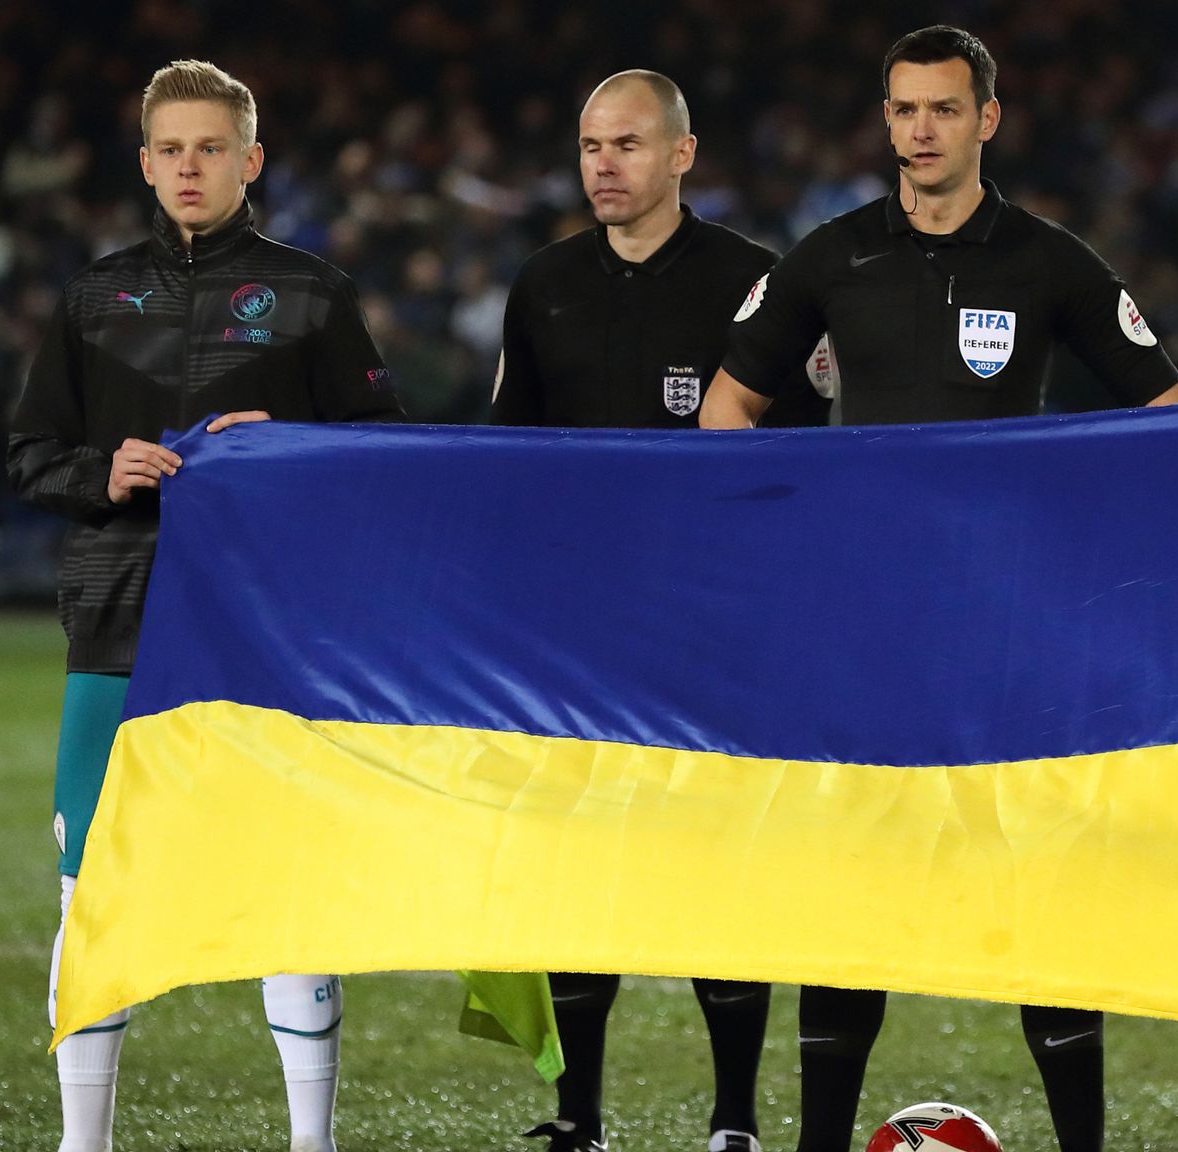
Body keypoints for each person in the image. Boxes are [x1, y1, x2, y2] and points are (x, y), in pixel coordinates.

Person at [701, 25, 1178, 1152]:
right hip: (864, 627)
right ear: (887, 122)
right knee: (853, 896)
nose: (920, 132)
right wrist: (788, 538)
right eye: (903, 112)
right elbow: (724, 410)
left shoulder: (1048, 261)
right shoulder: (828, 257)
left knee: (1038, 895)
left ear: (986, 121)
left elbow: (1171, 421)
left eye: (942, 111)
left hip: (1009, 630)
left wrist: (1077, 528)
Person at [6, 60, 403, 1152]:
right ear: (144, 163)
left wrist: (291, 450)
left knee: (285, 878)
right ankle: (82, 1144)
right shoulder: (92, 296)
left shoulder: (314, 293)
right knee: (91, 884)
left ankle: (309, 1142)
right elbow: (30, 455)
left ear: (251, 161)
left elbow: (385, 452)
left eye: (212, 147)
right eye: (171, 148)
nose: (191, 166)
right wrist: (104, 473)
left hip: (270, 629)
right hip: (118, 617)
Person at [491, 68, 827, 1152]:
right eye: (590, 144)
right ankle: (576, 1116)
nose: (604, 164)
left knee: (714, 864)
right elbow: (505, 462)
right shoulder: (541, 284)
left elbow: (813, 460)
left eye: (627, 144)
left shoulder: (753, 282)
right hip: (579, 634)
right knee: (579, 868)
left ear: (682, 155)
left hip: (713, 628)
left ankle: (733, 1122)